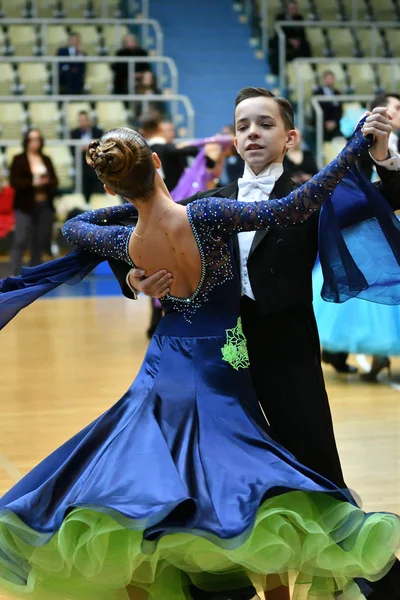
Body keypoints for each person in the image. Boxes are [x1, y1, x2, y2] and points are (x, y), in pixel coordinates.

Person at [0, 117, 399, 600]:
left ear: (108, 184)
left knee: (147, 477)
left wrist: (129, 215)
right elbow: (298, 204)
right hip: (220, 362)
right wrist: (354, 146)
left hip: (164, 364)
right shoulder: (207, 213)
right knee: (248, 482)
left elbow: (72, 225)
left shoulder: (121, 239)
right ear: (155, 163)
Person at [108, 88, 400, 599]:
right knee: (222, 471)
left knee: (314, 464)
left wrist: (381, 156)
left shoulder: (311, 194)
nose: (252, 134)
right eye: (243, 126)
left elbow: (384, 198)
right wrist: (135, 278)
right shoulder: (207, 202)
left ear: (288, 138)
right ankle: (220, 580)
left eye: (264, 125)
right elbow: (132, 229)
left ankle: (365, 578)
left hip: (287, 353)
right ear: (234, 137)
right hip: (222, 359)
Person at [8, 128, 58, 275]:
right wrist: (33, 183)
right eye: (32, 139)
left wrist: (45, 182)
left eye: (37, 139)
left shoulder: (46, 159)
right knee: (20, 240)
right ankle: (12, 274)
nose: (35, 142)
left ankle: (33, 275)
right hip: (24, 205)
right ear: (26, 141)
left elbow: (55, 181)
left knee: (40, 241)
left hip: (44, 205)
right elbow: (14, 182)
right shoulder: (19, 159)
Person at [269, 0, 312, 76]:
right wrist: (289, 41)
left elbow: (302, 33)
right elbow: (278, 33)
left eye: (294, 8)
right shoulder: (280, 17)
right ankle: (276, 73)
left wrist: (297, 41)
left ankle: (309, 68)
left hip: (296, 43)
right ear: (286, 9)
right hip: (284, 41)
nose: (292, 10)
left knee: (306, 45)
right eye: (290, 8)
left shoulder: (299, 18)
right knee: (275, 44)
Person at [70, 111, 104, 204]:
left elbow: (101, 148)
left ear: (89, 121)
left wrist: (86, 148)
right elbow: (72, 150)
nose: (83, 123)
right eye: (80, 121)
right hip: (81, 164)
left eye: (85, 120)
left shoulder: (98, 131)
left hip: (95, 163)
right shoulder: (74, 133)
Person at [313, 71, 343, 141]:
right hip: (321, 126)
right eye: (328, 78)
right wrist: (324, 123)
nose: (329, 80)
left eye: (331, 78)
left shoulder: (337, 93)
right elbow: (315, 111)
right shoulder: (317, 93)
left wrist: (334, 122)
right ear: (324, 79)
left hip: (335, 126)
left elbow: (339, 110)